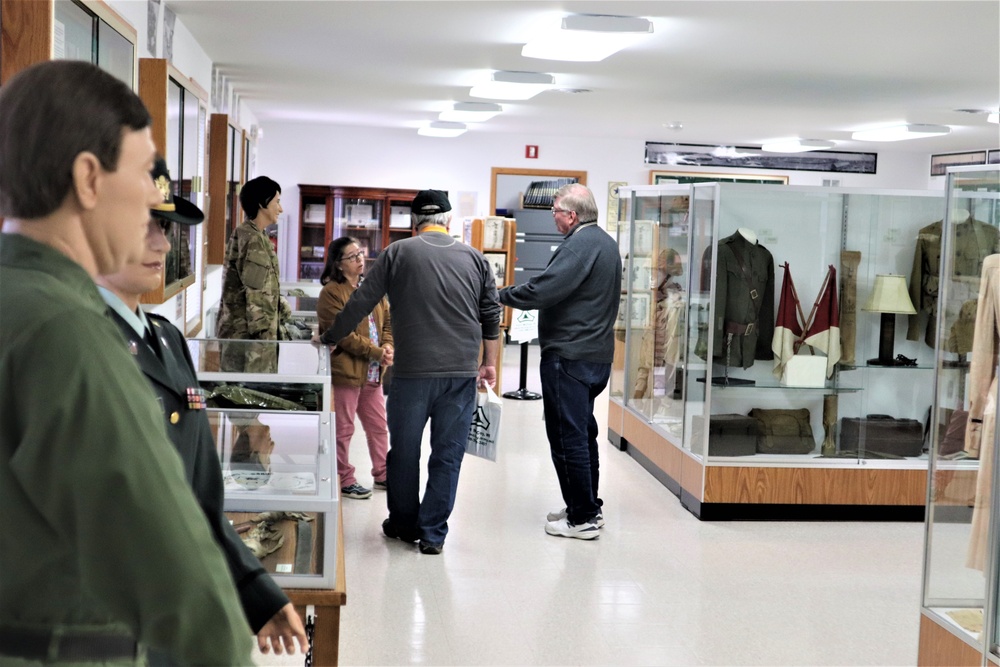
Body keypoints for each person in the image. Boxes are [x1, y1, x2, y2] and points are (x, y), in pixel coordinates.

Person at [0, 60, 251, 664]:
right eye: (143, 174)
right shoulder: (66, 331)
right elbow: (172, 563)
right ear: (88, 178)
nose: (149, 203)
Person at [95, 157, 308, 659]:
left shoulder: (165, 339)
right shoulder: (73, 343)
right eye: (145, 225)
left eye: (165, 228)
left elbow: (199, 497)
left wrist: (255, 592)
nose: (164, 244)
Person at [319, 190, 501, 555]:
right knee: (447, 453)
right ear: (448, 220)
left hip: (411, 374)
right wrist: (489, 362)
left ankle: (403, 524)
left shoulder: (397, 253)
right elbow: (491, 316)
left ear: (414, 222)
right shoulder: (476, 259)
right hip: (460, 374)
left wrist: (331, 336)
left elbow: (361, 301)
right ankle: (433, 534)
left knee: (403, 451)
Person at [498, 183, 622, 541]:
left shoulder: (581, 245)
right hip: (594, 356)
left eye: (554, 211)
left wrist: (499, 295)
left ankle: (582, 518)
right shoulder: (604, 243)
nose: (551, 216)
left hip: (570, 356)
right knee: (583, 434)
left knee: (568, 438)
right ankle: (585, 506)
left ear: (571, 215)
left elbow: (543, 290)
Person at [316, 236, 394, 500]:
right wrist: (376, 352)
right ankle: (344, 478)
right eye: (352, 256)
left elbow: (386, 323)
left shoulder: (371, 288)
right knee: (344, 429)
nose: (360, 259)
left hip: (373, 373)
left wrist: (388, 346)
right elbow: (341, 333)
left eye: (360, 253)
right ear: (338, 264)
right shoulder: (331, 293)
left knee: (378, 427)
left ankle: (383, 474)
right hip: (347, 373)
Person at [216, 175, 292, 372]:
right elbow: (258, 298)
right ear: (262, 203)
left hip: (242, 337)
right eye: (277, 201)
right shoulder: (253, 239)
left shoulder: (251, 234)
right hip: (250, 344)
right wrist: (266, 342)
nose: (281, 208)